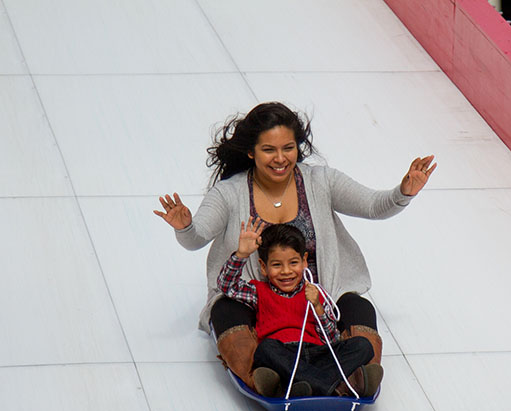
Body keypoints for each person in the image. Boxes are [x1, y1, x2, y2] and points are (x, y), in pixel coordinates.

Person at [153, 101, 435, 390]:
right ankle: (267, 379)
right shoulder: (229, 193)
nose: (280, 158)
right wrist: (184, 227)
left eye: (288, 148)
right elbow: (196, 238)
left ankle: (349, 378)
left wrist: (403, 192)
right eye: (269, 150)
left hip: (316, 297)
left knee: (360, 309)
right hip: (258, 298)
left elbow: (374, 206)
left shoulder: (321, 181)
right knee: (225, 310)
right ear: (251, 152)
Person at [217, 222, 381, 398]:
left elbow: (333, 338)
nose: (286, 271)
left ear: (304, 261)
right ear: (263, 267)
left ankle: (300, 385)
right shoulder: (258, 291)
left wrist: (317, 306)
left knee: (363, 346)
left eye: (293, 263)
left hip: (319, 355)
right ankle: (333, 386)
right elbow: (227, 286)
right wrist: (241, 255)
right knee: (265, 350)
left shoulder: (315, 293)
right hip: (283, 355)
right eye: (277, 265)